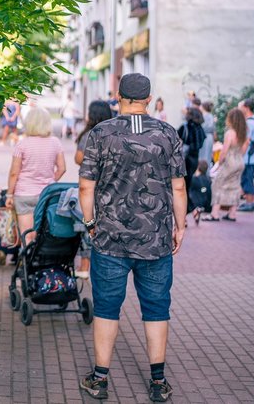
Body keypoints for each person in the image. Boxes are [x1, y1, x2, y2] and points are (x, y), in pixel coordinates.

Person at [77, 73, 186, 403]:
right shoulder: (168, 134)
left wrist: (90, 222)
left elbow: (86, 186)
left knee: (107, 308)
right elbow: (178, 186)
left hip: (109, 239)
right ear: (149, 99)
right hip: (155, 240)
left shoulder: (101, 133)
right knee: (156, 308)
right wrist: (179, 227)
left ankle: (99, 379)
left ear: (118, 97)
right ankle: (157, 381)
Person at [6, 106, 66, 243]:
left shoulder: (22, 145)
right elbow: (62, 168)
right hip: (47, 194)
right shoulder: (55, 143)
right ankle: (42, 260)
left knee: (27, 235)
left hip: (24, 194)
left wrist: (9, 194)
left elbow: (14, 173)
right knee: (43, 233)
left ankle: (27, 261)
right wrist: (50, 179)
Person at [73, 100, 114, 277]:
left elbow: (79, 158)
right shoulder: (114, 132)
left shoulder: (89, 134)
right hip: (111, 186)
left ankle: (84, 266)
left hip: (91, 185)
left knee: (87, 224)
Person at [205, 109, 248, 222]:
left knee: (217, 184)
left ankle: (214, 213)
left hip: (230, 161)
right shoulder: (243, 133)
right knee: (235, 186)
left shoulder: (230, 133)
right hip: (239, 160)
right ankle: (232, 213)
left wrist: (219, 162)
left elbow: (224, 151)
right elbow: (244, 149)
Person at [177, 107, 206, 207]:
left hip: (185, 159)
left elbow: (176, 138)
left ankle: (189, 207)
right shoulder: (200, 128)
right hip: (195, 159)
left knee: (183, 185)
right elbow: (200, 144)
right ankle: (191, 207)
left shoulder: (186, 127)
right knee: (189, 184)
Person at [198, 101, 217, 165]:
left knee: (204, 156)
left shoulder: (205, 116)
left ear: (203, 107)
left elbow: (203, 127)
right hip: (209, 137)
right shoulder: (210, 116)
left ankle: (203, 171)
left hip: (205, 137)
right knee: (207, 155)